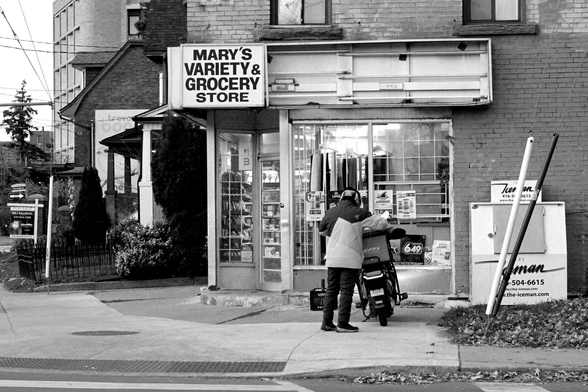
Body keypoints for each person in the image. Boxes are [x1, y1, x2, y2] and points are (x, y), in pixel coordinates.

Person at [318, 187, 386, 333]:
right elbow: (381, 224)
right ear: (356, 199)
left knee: (331, 290)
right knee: (346, 291)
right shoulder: (361, 213)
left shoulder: (330, 213)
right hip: (350, 258)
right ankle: (342, 323)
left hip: (332, 258)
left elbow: (321, 230)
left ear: (342, 198)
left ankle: (327, 322)